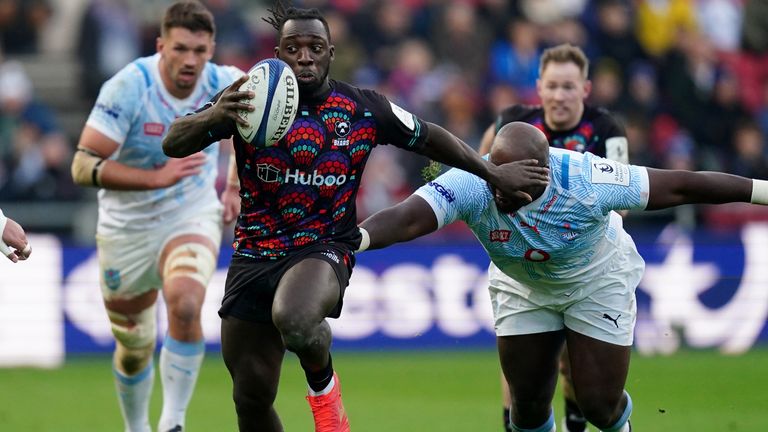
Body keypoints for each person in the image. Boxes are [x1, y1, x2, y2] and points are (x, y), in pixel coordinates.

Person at [161, 3, 549, 431]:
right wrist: (216, 115)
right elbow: (173, 143)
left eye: (314, 47)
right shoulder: (248, 98)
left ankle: (326, 399)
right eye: (293, 48)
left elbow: (430, 138)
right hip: (254, 252)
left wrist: (490, 170)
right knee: (250, 400)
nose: (304, 56)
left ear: (330, 52)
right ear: (278, 53)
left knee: (296, 317)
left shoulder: (363, 108)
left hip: (324, 247)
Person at [357, 121, 768, 432]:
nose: (501, 189)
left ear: (545, 172)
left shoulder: (587, 179)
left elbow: (683, 186)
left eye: (515, 181)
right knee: (528, 406)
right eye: (497, 176)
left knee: (598, 406)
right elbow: (408, 218)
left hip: (596, 281)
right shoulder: (473, 181)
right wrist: (353, 240)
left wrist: (761, 191)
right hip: (523, 287)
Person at [69, 2, 243, 431]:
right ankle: (136, 426)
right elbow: (81, 165)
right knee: (134, 346)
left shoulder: (225, 83)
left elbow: (250, 130)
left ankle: (173, 422)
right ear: (161, 44)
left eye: (200, 50)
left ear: (211, 48)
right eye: (181, 49)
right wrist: (155, 178)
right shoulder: (129, 86)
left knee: (186, 303)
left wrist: (235, 186)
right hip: (126, 229)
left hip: (191, 214)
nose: (191, 60)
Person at [478, 42, 628, 432]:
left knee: (571, 364)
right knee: (519, 352)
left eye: (568, 86)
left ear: (585, 90)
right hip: (522, 252)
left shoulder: (607, 129)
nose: (560, 95)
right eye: (553, 86)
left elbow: (623, 198)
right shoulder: (511, 121)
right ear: (539, 87)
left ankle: (575, 420)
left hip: (587, 258)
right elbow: (478, 170)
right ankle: (515, 422)